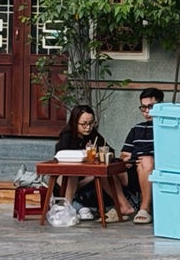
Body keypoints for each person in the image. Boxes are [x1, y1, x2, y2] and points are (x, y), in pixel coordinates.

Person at [54, 103, 130, 222]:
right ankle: (67, 208)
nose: (88, 127)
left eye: (91, 123)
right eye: (83, 124)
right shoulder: (67, 136)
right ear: (75, 123)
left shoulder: (92, 134)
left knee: (107, 171)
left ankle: (123, 205)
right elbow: (62, 159)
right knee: (71, 174)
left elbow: (108, 150)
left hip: (89, 175)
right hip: (68, 178)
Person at [119, 87, 161, 224]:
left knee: (147, 160)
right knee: (108, 167)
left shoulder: (166, 128)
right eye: (143, 108)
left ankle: (145, 208)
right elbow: (124, 154)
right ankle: (124, 205)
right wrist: (128, 160)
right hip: (133, 170)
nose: (147, 111)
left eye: (151, 107)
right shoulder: (136, 129)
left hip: (155, 170)